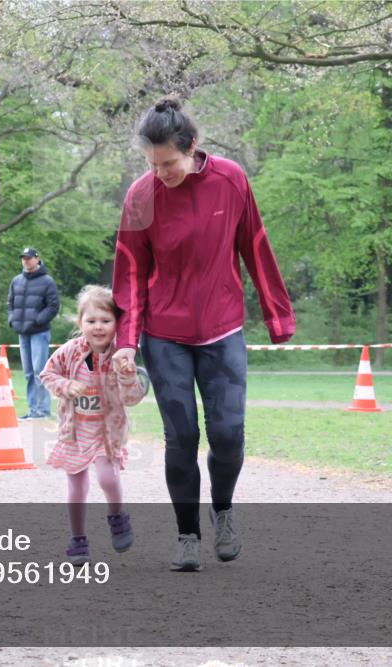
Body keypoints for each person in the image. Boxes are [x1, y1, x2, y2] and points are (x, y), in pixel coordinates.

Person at [112, 96, 295, 572]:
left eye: (169, 162)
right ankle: (188, 535)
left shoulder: (230, 180)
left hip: (222, 329)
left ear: (192, 147)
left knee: (229, 433)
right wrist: (127, 340)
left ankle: (224, 511)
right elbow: (131, 271)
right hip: (164, 335)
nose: (161, 172)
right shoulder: (141, 196)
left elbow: (255, 243)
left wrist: (278, 315)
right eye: (153, 164)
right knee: (182, 436)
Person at [40, 286, 148, 565]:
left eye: (105, 320)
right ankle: (78, 539)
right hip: (74, 433)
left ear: (117, 323)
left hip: (107, 433)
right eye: (91, 321)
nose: (98, 327)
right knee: (76, 488)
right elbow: (47, 374)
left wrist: (126, 377)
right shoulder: (69, 353)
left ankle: (118, 515)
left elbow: (133, 398)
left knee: (107, 478)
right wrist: (65, 385)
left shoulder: (122, 356)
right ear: (80, 323)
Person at [7, 247, 60, 420]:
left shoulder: (47, 281)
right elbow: (10, 303)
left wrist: (38, 320)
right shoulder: (16, 281)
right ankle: (32, 410)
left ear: (37, 259)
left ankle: (43, 411)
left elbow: (53, 306)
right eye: (23, 258)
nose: (26, 260)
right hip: (22, 332)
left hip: (39, 332)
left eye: (29, 258)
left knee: (40, 372)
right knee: (28, 373)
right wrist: (12, 319)